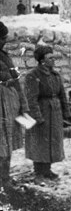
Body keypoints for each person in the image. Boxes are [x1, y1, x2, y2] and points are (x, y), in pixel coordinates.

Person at [24, 45, 69, 180]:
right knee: (40, 141)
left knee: (52, 141)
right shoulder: (33, 76)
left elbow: (62, 95)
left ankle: (47, 169)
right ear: (42, 60)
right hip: (41, 110)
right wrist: (37, 117)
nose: (53, 59)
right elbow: (31, 99)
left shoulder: (56, 75)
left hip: (55, 112)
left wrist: (66, 113)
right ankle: (39, 171)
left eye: (53, 57)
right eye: (50, 58)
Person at [0, 22, 29, 191]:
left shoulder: (5, 56)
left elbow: (17, 81)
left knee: (7, 143)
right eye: (1, 38)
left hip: (10, 105)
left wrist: (23, 105)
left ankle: (5, 178)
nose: (4, 41)